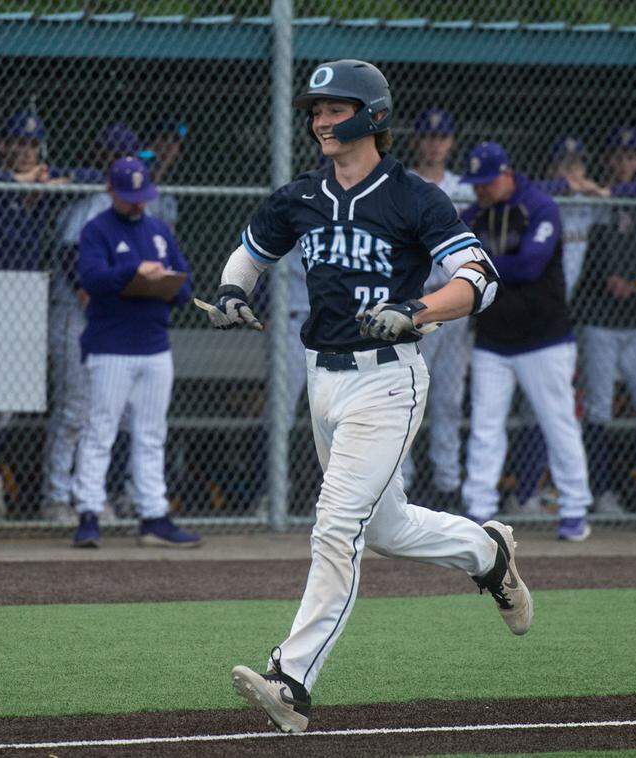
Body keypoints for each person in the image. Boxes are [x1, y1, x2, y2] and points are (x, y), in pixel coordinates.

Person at [201, 59, 532, 733]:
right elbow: (250, 253)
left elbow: (481, 277)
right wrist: (235, 290)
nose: (322, 119)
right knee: (385, 526)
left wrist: (418, 308)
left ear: (372, 115)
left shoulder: (414, 196)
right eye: (317, 109)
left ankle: (290, 678)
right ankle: (487, 553)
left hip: (388, 378)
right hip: (322, 378)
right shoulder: (301, 195)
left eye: (335, 107)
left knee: (336, 527)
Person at [457, 142, 594, 541]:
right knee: (485, 426)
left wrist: (479, 266)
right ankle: (479, 509)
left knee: (558, 423)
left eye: (486, 182)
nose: (480, 189)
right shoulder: (475, 213)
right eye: (475, 183)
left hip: (545, 339)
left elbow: (531, 264)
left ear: (507, 174)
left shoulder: (539, 206)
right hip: (493, 339)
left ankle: (574, 508)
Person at [71, 156, 200, 549]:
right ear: (111, 190)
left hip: (154, 344)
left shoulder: (158, 229)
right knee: (100, 429)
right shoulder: (97, 229)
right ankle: (89, 514)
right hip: (111, 345)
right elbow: (90, 277)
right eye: (130, 197)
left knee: (151, 433)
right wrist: (132, 272)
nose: (137, 204)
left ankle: (153, 514)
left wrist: (164, 281)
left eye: (141, 196)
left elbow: (185, 284)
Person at [0, 112, 70, 519]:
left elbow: (90, 173)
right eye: (16, 144)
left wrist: (49, 179)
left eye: (30, 145)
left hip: (26, 295)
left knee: (5, 406)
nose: (23, 151)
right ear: (2, 145)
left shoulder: (47, 179)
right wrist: (31, 182)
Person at [41, 123, 142, 523]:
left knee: (114, 413)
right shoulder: (88, 204)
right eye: (116, 155)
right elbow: (69, 256)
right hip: (75, 318)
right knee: (75, 410)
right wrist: (92, 296)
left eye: (130, 155)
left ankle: (92, 494)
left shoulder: (135, 209)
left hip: (114, 322)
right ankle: (56, 495)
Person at [571, 127, 636, 515]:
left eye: (630, 156)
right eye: (617, 156)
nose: (624, 162)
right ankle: (603, 491)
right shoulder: (596, 201)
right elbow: (593, 260)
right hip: (600, 319)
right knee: (599, 409)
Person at [400, 107, 475, 509]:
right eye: (427, 136)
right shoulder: (403, 183)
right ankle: (404, 481)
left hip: (457, 301)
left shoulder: (465, 187)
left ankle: (448, 482)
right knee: (407, 395)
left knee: (448, 396)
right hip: (416, 300)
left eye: (441, 136)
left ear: (450, 142)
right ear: (416, 140)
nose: (434, 143)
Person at [536, 136, 608, 299]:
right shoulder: (541, 199)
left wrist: (604, 192)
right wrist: (565, 186)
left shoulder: (586, 201)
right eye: (566, 165)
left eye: (578, 165)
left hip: (566, 291)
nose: (573, 171)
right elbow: (524, 189)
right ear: (551, 170)